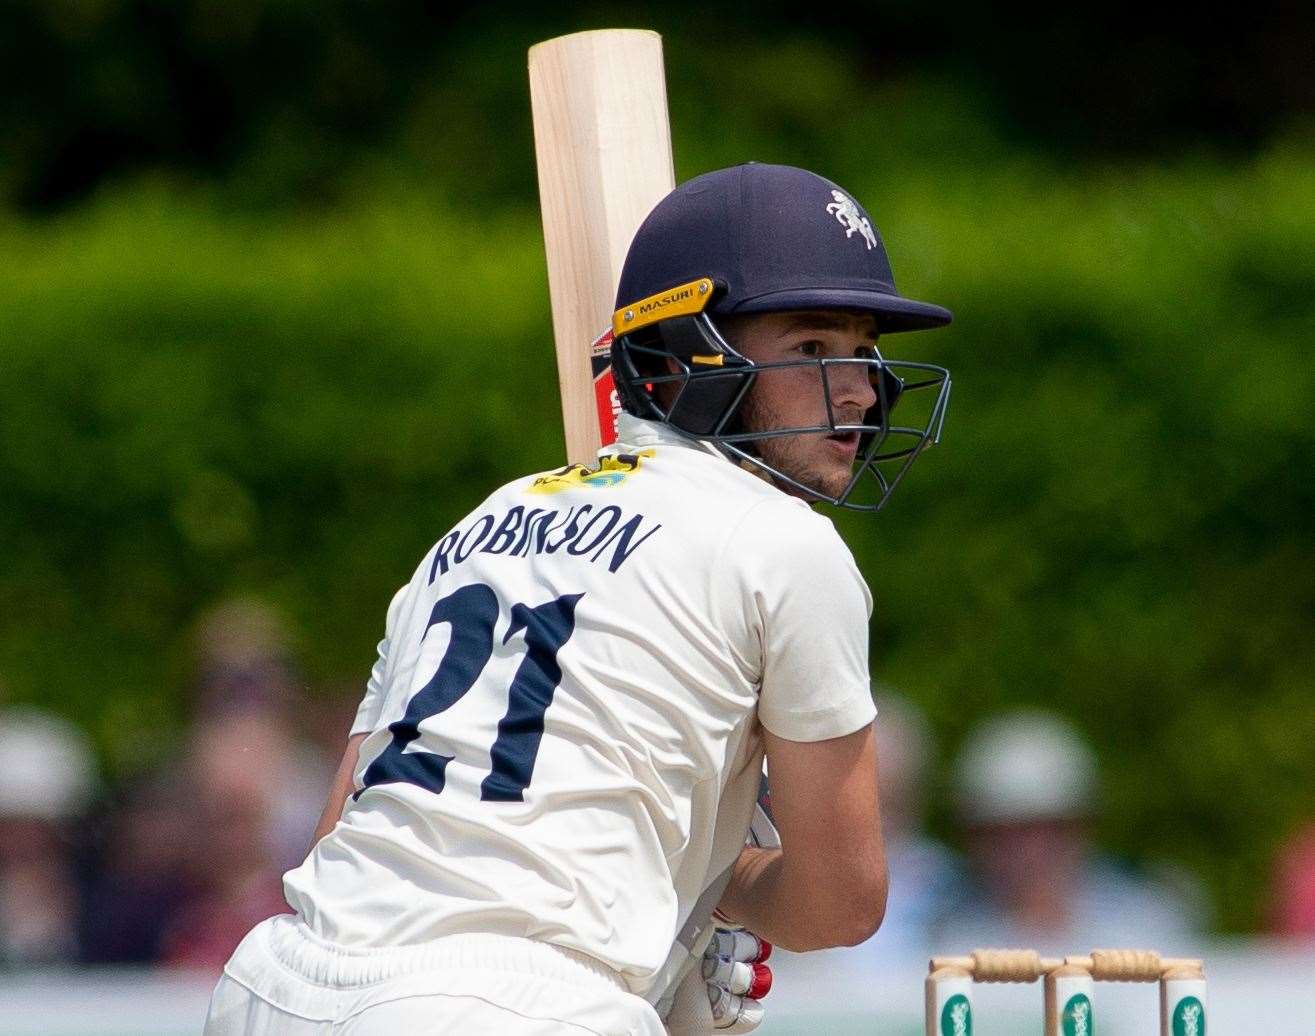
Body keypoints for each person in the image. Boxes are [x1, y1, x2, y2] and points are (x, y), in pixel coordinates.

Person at [204, 162, 953, 1035]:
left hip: (279, 984)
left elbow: (349, 825)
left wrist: (658, 933)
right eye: (813, 349)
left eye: (866, 351)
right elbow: (840, 903)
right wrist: (719, 888)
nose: (861, 390)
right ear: (679, 361)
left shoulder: (485, 519)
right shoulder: (786, 544)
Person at [931, 710, 1206, 955]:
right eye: (998, 833)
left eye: (1043, 828)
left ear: (1082, 826)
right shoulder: (943, 936)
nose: (1024, 850)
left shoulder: (1151, 920)